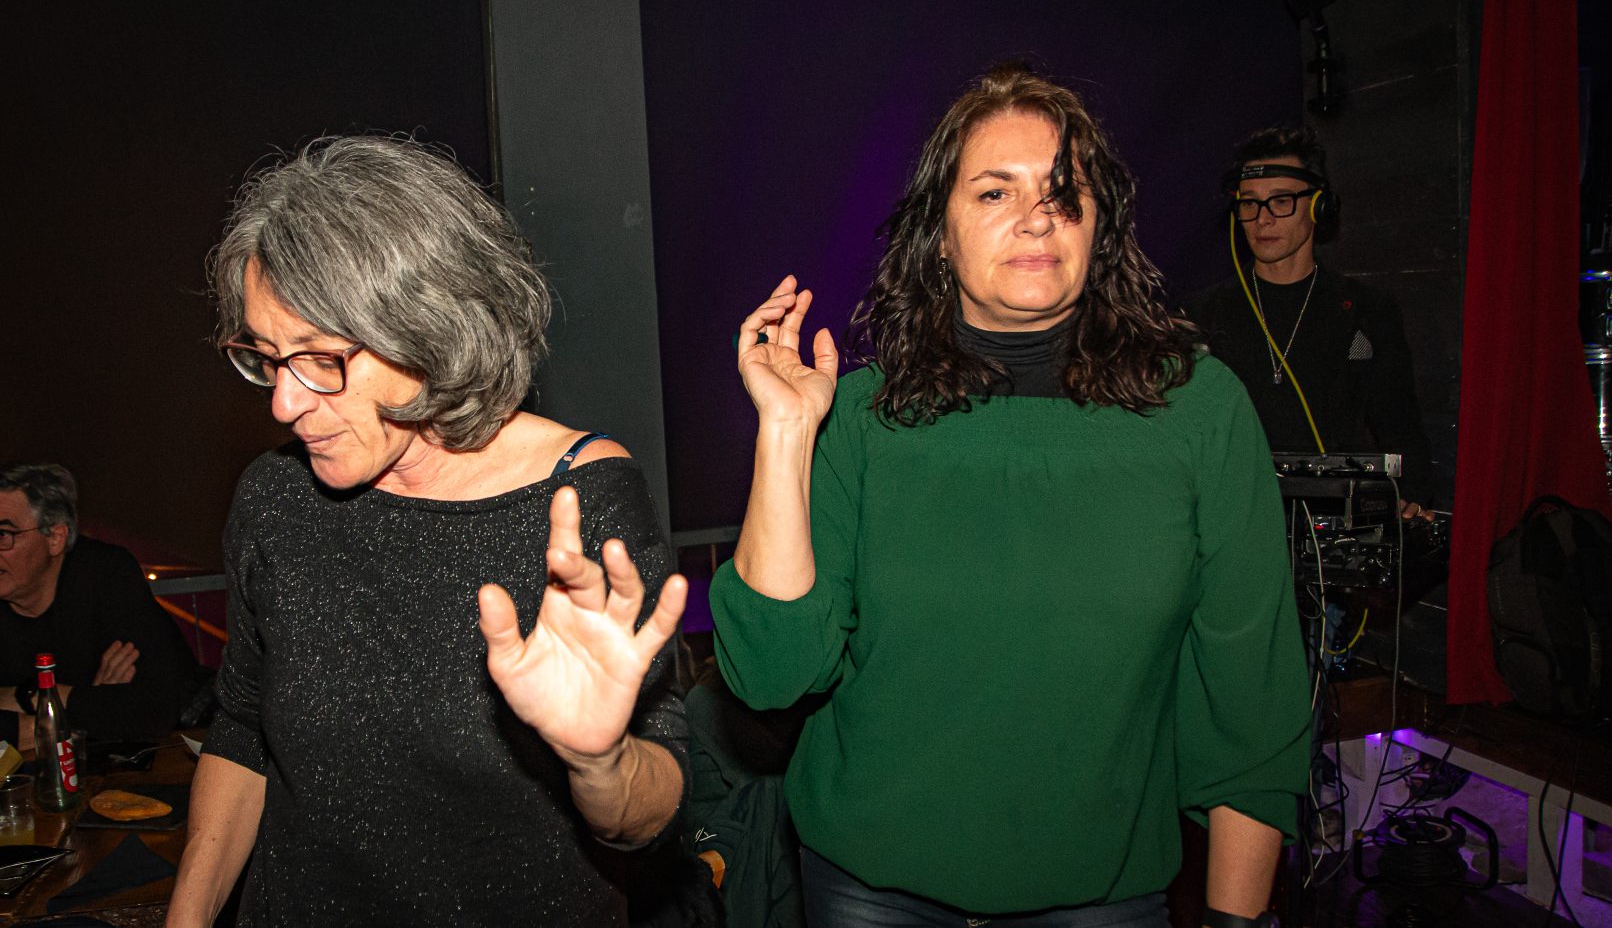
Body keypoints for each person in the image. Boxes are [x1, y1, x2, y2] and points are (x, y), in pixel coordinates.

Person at [711, 63, 1310, 928]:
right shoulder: (860, 416)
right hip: (870, 891)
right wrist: (784, 430)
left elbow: (1253, 704)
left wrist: (1235, 922)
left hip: (1102, 900)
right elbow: (771, 675)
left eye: (1065, 193)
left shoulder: (1198, 411)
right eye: (995, 191)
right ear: (939, 235)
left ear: (1100, 228)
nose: (1037, 215)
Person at [165, 136, 688, 928]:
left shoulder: (578, 501)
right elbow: (241, 726)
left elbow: (652, 811)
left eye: (319, 359)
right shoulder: (276, 496)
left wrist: (599, 760)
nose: (282, 402)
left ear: (430, 331)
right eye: (267, 357)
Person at [1183, 126, 1435, 515]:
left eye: (1281, 201)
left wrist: (1412, 500)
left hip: (1334, 523)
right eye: (1249, 204)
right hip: (1231, 515)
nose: (1263, 219)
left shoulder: (1366, 312)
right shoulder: (1200, 314)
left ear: (1319, 207)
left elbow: (1400, 426)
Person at [0, 462, 206, 747]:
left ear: (55, 538)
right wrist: (88, 701)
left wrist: (30, 699)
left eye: (3, 535)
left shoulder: (104, 574)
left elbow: (155, 709)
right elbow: (112, 714)